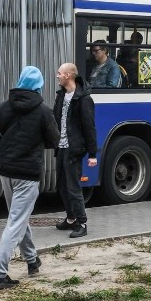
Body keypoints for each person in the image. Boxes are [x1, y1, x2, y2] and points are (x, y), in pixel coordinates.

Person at [0, 66, 60, 289]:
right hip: (28, 173)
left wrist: (6, 146)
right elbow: (54, 140)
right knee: (16, 221)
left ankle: (32, 260)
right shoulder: (44, 111)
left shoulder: (3, 107)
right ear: (38, 86)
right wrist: (34, 145)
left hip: (6, 171)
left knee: (18, 217)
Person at [54, 62, 98, 238]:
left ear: (68, 76)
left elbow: (89, 127)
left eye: (59, 73)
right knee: (62, 185)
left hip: (74, 148)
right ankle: (71, 218)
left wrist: (92, 154)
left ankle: (82, 223)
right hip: (62, 147)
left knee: (73, 187)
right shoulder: (61, 96)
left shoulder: (83, 99)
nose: (57, 76)